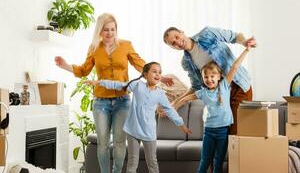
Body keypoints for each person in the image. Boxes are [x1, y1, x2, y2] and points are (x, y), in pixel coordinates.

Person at [55, 13, 172, 173]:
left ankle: (116, 171)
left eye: (113, 29)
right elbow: (83, 70)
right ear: (99, 31)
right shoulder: (94, 48)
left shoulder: (125, 45)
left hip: (122, 101)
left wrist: (160, 76)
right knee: (103, 142)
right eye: (106, 30)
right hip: (100, 102)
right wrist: (66, 65)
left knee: (119, 141)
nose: (110, 33)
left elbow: (141, 65)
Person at [85, 62, 192, 173]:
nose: (158, 74)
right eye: (154, 71)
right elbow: (119, 85)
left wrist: (181, 124)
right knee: (132, 162)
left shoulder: (160, 94)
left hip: (149, 133)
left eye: (160, 72)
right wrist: (99, 82)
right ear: (145, 74)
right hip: (133, 130)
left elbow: (170, 110)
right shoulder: (137, 85)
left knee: (152, 163)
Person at [162, 26, 256, 135]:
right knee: (224, 134)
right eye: (173, 43)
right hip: (220, 97)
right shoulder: (186, 62)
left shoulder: (207, 34)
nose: (177, 42)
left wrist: (244, 42)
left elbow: (235, 36)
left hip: (238, 85)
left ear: (182, 32)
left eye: (177, 37)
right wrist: (174, 103)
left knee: (235, 132)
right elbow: (195, 87)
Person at [172, 46, 251, 173]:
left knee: (218, 161)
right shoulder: (202, 92)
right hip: (209, 132)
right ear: (202, 79)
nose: (209, 79)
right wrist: (173, 107)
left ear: (219, 76)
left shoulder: (224, 86)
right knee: (205, 161)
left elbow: (235, 67)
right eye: (206, 77)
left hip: (223, 131)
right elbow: (185, 99)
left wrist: (246, 50)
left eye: (212, 76)